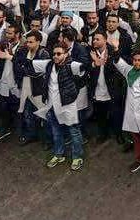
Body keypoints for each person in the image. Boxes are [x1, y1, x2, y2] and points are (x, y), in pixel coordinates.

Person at [17, 31, 87, 171]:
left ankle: (77, 157)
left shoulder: (71, 65)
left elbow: (83, 67)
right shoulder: (48, 64)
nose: (55, 56)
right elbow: (29, 63)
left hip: (67, 105)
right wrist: (20, 50)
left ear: (66, 54)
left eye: (59, 54)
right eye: (54, 54)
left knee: (74, 132)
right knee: (56, 131)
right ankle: (59, 153)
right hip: (52, 106)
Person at [106, 43, 140, 176]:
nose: (137, 62)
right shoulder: (129, 71)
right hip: (132, 112)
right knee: (136, 137)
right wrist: (115, 49)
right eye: (135, 60)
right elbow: (118, 62)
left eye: (139, 60)